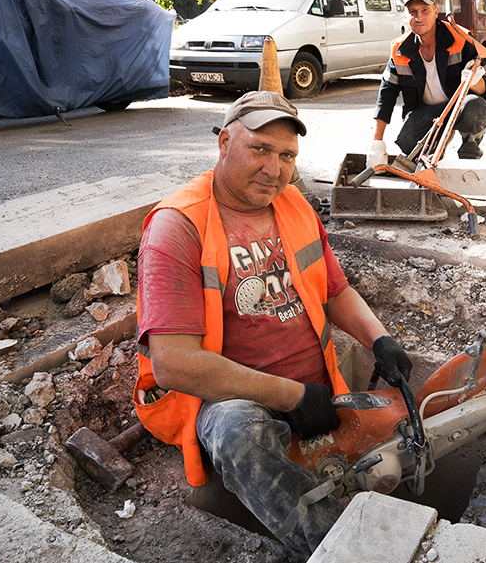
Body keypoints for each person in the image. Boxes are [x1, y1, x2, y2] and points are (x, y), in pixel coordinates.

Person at [134, 90, 414, 556]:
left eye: (287, 155)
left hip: (316, 387)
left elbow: (335, 291)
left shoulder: (294, 205)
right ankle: (346, 548)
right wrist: (291, 396)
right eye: (260, 149)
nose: (275, 168)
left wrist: (380, 339)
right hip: (236, 399)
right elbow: (174, 364)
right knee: (239, 433)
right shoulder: (177, 227)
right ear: (224, 143)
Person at [368, 0, 486, 166]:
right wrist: (377, 144)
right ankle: (433, 155)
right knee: (408, 143)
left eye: (424, 11)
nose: (418, 17)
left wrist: (474, 81)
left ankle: (470, 157)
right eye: (412, 12)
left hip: (459, 105)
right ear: (405, 16)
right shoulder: (400, 50)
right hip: (425, 111)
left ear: (436, 12)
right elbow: (386, 96)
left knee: (475, 105)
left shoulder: (460, 39)